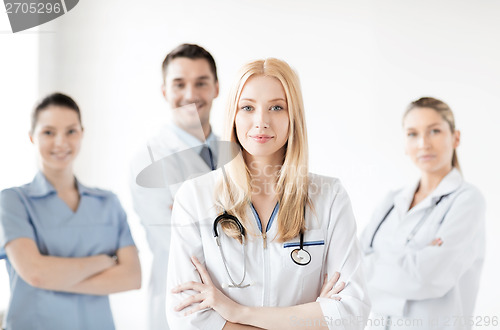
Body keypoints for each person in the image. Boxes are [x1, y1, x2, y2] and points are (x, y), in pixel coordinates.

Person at [166, 58, 370, 330]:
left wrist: (237, 312)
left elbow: (351, 313)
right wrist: (314, 317)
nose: (261, 121)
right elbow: (188, 318)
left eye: (276, 107)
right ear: (234, 116)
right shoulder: (195, 197)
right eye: (247, 107)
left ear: (293, 115)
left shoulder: (329, 197)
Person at [0, 93, 141, 330]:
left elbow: (132, 277)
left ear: (82, 134)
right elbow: (35, 274)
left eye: (71, 131)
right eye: (48, 132)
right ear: (32, 137)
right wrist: (103, 262)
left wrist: (52, 277)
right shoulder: (13, 201)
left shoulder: (108, 203)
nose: (61, 142)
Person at [360, 97, 486, 329]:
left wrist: (369, 268)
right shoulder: (391, 201)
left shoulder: (467, 200)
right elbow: (350, 268)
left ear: (455, 137)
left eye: (434, 131)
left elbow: (427, 277)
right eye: (412, 134)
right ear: (405, 144)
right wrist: (406, 266)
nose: (423, 144)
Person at [129, 43, 220, 330]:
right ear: (165, 91)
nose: (191, 95)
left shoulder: (243, 153)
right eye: (179, 84)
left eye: (201, 83)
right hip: (182, 309)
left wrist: (198, 219)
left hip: (241, 307)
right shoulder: (149, 159)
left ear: (216, 87)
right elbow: (179, 246)